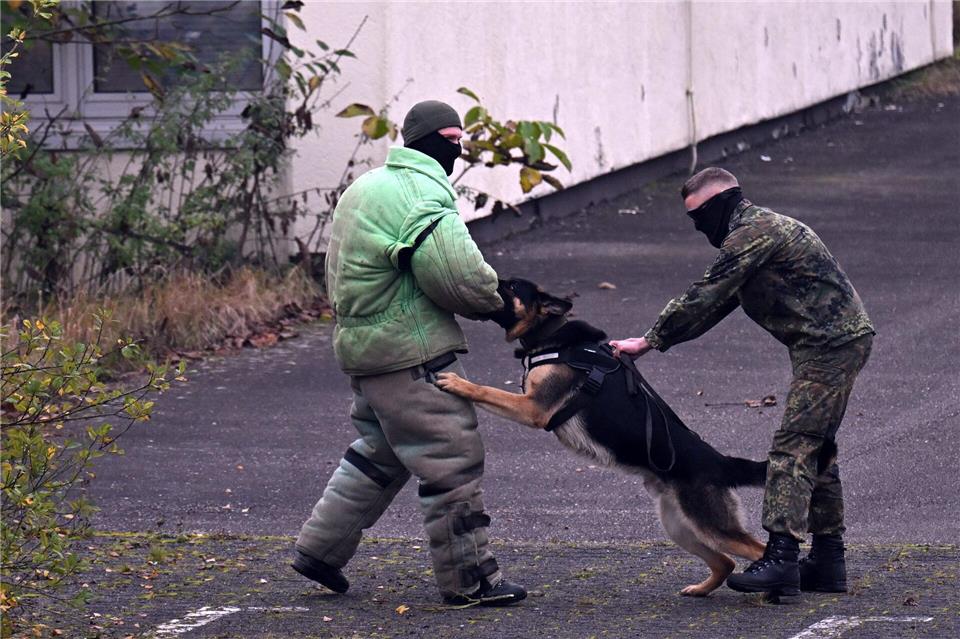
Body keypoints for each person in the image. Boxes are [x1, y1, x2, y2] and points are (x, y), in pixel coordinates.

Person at [292, 100, 525, 606]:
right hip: (409, 353)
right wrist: (503, 306)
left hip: (362, 349)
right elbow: (456, 277)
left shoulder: (366, 186)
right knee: (451, 459)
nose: (458, 151)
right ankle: (471, 581)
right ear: (441, 142)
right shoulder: (421, 192)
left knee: (379, 454)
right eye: (454, 141)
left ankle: (319, 550)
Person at [610, 167, 874, 597]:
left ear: (722, 202)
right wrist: (656, 342)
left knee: (793, 448)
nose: (701, 228)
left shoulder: (755, 232)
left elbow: (707, 292)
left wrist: (649, 339)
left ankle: (781, 558)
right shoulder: (756, 234)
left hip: (832, 346)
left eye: (701, 216)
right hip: (827, 344)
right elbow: (717, 305)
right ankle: (828, 562)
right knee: (815, 448)